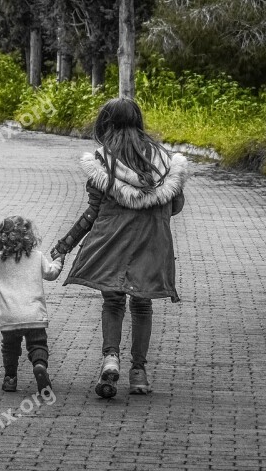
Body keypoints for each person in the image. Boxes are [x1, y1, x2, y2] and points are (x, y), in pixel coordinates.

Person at [51, 98, 188, 398]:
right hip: (152, 243)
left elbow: (92, 213)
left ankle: (110, 358)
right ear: (139, 121)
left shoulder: (104, 163)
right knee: (142, 304)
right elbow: (176, 204)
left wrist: (64, 246)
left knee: (113, 302)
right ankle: (138, 372)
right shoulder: (164, 162)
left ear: (107, 124)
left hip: (111, 242)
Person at [0, 216, 63, 393]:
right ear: (29, 237)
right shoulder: (37, 257)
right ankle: (40, 365)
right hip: (33, 314)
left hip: (9, 316)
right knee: (38, 344)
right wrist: (58, 260)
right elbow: (51, 273)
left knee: (10, 348)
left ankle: (10, 378)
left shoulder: (0, 259)